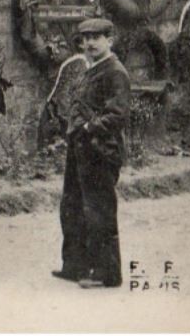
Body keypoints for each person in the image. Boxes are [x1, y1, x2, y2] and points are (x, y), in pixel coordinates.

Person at [53, 17, 130, 289]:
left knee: (99, 210)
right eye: (85, 39)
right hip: (81, 149)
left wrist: (87, 127)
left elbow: (117, 114)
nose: (89, 43)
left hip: (100, 150)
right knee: (72, 206)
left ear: (110, 40)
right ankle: (76, 265)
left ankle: (107, 273)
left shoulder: (115, 72)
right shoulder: (92, 68)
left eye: (96, 37)